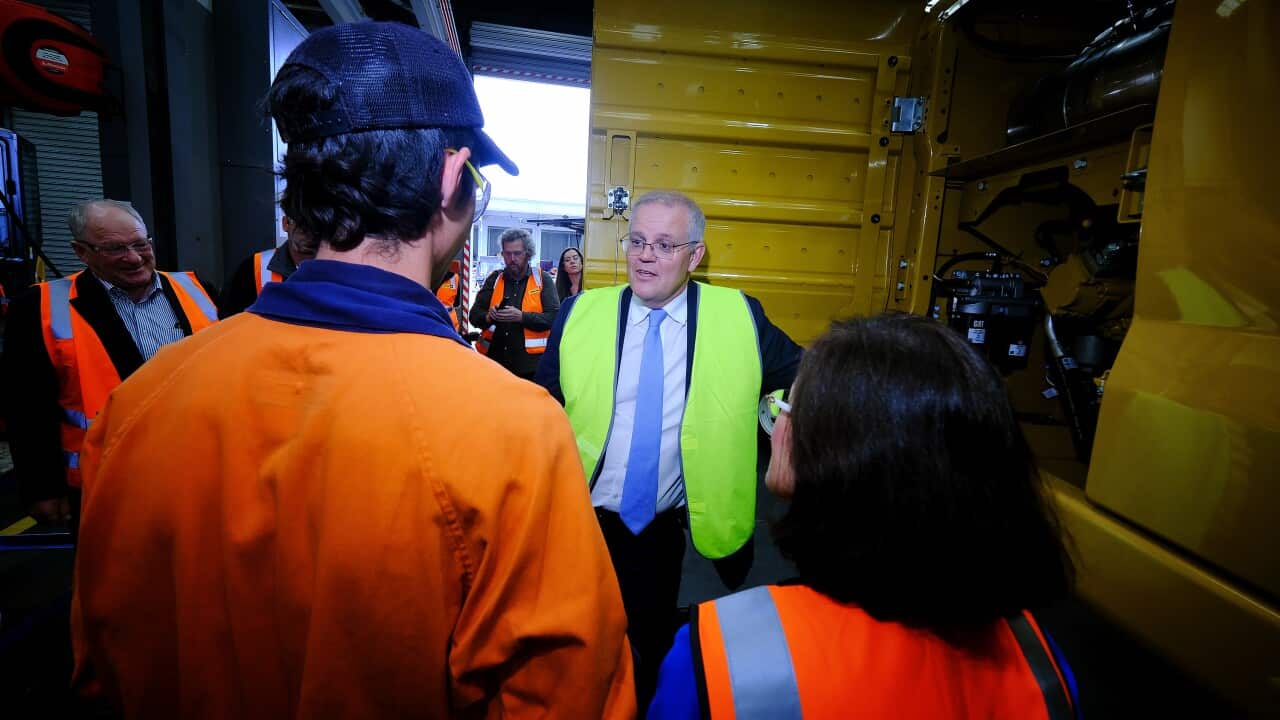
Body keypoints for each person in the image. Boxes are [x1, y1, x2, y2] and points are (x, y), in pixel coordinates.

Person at [70, 22, 633, 719]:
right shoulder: (513, 432)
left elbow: (99, 663)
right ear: (451, 178)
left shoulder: (140, 403)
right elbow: (564, 698)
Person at [648, 314, 1079, 719]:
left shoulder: (718, 654)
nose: (776, 425)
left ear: (845, 456)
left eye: (787, 408)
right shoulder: (1038, 659)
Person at [536, 190, 803, 707]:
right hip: (579, 522)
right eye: (637, 241)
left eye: (663, 244)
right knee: (576, 648)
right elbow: (542, 410)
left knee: (653, 650)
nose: (645, 256)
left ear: (694, 256)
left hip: (661, 530)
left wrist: (781, 419)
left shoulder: (739, 317)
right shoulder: (579, 313)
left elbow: (806, 378)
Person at [0, 199, 217, 532]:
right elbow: (27, 409)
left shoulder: (199, 290)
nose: (133, 257)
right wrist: (42, 489)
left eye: (139, 244)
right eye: (114, 248)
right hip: (103, 482)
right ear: (81, 252)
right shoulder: (38, 308)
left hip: (197, 472)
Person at [470, 228, 558, 379]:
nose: (512, 258)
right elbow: (474, 315)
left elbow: (554, 318)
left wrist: (522, 317)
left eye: (517, 253)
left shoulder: (542, 280)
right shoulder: (495, 279)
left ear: (528, 254)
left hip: (530, 368)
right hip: (494, 364)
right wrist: (489, 317)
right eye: (507, 253)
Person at [218, 214, 316, 318]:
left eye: (317, 223)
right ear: (285, 223)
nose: (310, 231)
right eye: (302, 222)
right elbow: (230, 324)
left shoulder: (334, 270)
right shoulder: (253, 268)